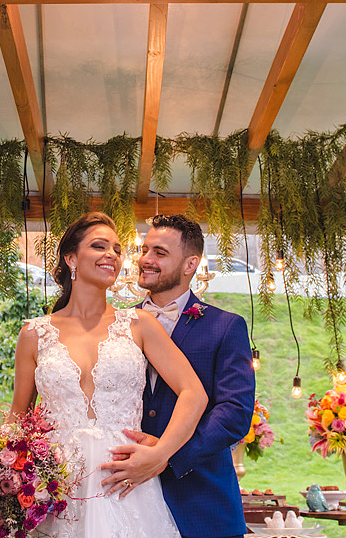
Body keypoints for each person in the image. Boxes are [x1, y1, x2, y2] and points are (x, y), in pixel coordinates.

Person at [11, 211, 207, 538]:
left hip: (126, 483)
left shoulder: (140, 324)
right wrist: (1, 470)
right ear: (71, 259)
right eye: (99, 246)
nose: (112, 255)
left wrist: (160, 454)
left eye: (117, 249)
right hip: (57, 488)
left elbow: (194, 393)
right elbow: (18, 419)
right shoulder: (34, 334)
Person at [100, 213, 255, 538]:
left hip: (202, 504)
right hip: (126, 503)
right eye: (145, 250)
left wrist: (166, 457)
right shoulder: (116, 326)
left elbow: (234, 414)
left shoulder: (225, 327)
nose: (146, 260)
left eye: (160, 253)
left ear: (190, 264)